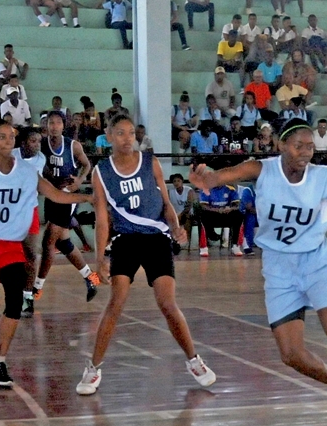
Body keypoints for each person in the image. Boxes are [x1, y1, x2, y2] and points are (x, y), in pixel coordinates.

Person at [190, 118, 327, 424]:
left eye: (310, 147)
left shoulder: (322, 175)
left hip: (316, 262)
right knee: (291, 355)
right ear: (281, 145)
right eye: (298, 146)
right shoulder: (262, 170)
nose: (306, 152)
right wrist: (208, 179)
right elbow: (223, 176)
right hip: (279, 267)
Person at [76, 113, 216, 395]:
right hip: (125, 239)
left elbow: (165, 203)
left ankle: (194, 360)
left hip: (156, 239)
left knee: (167, 304)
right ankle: (93, 369)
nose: (127, 139)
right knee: (116, 304)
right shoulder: (101, 172)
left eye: (131, 133)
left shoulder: (150, 163)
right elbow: (103, 219)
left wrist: (176, 227)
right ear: (109, 136)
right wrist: (100, 257)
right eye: (120, 133)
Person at [0, 118, 92, 387]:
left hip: (9, 244)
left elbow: (55, 195)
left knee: (14, 300)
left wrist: (88, 198)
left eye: (10, 136)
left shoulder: (26, 171)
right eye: (1, 137)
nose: (8, 141)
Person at [34, 111, 100, 303]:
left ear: (63, 125)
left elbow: (87, 165)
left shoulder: (72, 145)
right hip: (51, 195)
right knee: (63, 243)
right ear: (45, 125)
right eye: (50, 123)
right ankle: (90, 277)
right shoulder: (41, 145)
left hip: (67, 197)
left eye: (57, 123)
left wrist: (79, 180)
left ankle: (35, 290)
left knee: (48, 243)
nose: (53, 126)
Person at [11, 126, 47, 316]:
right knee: (10, 258)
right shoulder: (11, 156)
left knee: (32, 255)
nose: (37, 145)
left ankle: (28, 298)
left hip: (30, 209)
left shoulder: (41, 159)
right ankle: (13, 295)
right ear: (23, 143)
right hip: (11, 211)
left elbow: (40, 183)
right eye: (34, 141)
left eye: (39, 141)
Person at [195, 183, 244, 257]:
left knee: (238, 215)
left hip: (226, 214)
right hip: (212, 214)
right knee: (203, 216)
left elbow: (237, 204)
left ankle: (236, 246)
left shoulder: (230, 189)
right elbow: (204, 206)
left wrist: (230, 208)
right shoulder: (206, 189)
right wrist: (217, 210)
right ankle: (204, 247)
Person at [168, 173, 197, 250]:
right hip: (175, 214)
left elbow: (189, 206)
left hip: (187, 214)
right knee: (168, 219)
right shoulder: (170, 192)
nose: (176, 183)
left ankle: (186, 241)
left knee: (187, 218)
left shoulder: (189, 190)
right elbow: (167, 205)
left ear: (182, 181)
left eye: (178, 181)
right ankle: (172, 240)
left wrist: (181, 214)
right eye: (174, 181)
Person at [239, 184, 256, 254]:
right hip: (248, 213)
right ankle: (248, 246)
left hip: (261, 212)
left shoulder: (267, 189)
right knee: (250, 219)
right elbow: (249, 207)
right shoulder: (248, 190)